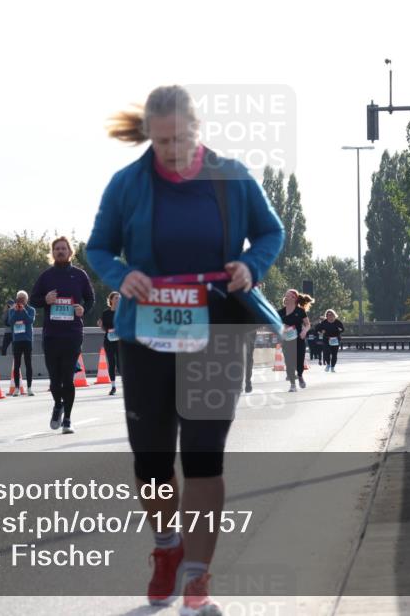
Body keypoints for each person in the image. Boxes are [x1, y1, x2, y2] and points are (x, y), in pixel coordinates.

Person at [87, 85, 284, 616]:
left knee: (202, 457)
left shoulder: (233, 177)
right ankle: (167, 547)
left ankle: (198, 578)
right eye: (161, 140)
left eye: (180, 138)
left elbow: (271, 231)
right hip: (146, 331)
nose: (171, 150)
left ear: (199, 131)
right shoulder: (128, 184)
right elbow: (98, 246)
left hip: (215, 327)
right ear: (148, 134)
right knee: (151, 460)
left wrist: (251, 266)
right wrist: (122, 273)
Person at [31, 236, 95, 434]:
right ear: (52, 253)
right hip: (51, 334)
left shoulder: (80, 275)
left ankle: (67, 419)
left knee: (67, 378)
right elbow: (33, 299)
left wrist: (82, 309)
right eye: (57, 249)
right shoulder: (46, 276)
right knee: (54, 379)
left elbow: (90, 299)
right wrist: (45, 300)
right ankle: (58, 404)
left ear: (70, 252)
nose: (60, 251)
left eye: (63, 248)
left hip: (73, 334)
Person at [278, 289, 312, 392]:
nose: (286, 297)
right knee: (289, 362)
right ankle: (293, 384)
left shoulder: (300, 311)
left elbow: (307, 324)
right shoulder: (280, 312)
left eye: (288, 295)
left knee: (299, 361)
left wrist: (304, 331)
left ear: (294, 298)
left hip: (299, 339)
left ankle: (300, 376)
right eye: (286, 295)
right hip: (286, 340)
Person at [6, 291, 36, 396]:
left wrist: (23, 310)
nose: (21, 300)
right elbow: (11, 322)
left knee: (28, 364)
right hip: (17, 340)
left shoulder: (31, 310)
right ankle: (17, 388)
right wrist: (15, 311)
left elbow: (29, 321)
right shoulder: (12, 310)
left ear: (26, 299)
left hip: (27, 339)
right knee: (17, 365)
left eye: (23, 298)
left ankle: (29, 387)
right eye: (19, 298)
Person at [96, 291, 121, 395]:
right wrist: (101, 325)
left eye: (120, 298)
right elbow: (104, 328)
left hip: (120, 341)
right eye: (116, 298)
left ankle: (128, 387)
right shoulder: (105, 313)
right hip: (109, 341)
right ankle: (113, 386)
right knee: (111, 363)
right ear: (111, 300)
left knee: (121, 364)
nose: (118, 300)